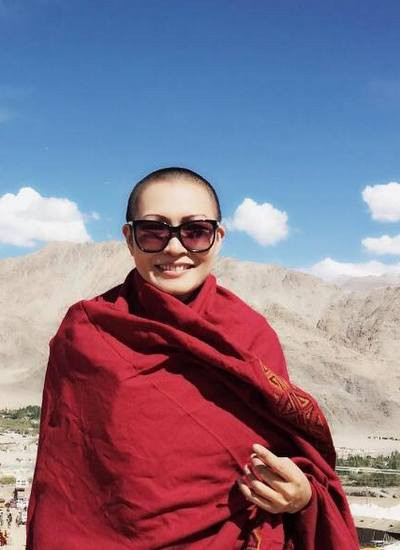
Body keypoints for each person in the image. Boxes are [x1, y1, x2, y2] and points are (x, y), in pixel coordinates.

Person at [27, 167, 358, 549]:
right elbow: (66, 479)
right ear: (129, 239)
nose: (174, 247)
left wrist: (302, 495)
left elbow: (297, 457)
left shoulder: (250, 335)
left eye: (195, 231)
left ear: (217, 239)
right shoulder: (87, 333)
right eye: (153, 231)